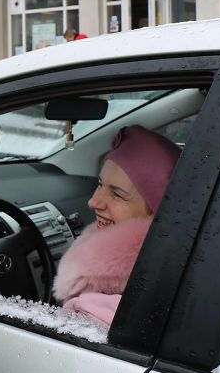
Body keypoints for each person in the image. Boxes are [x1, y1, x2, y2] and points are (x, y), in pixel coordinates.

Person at [52, 125, 180, 327]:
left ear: (156, 212)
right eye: (100, 184)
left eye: (117, 194)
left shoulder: (97, 311)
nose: (93, 202)